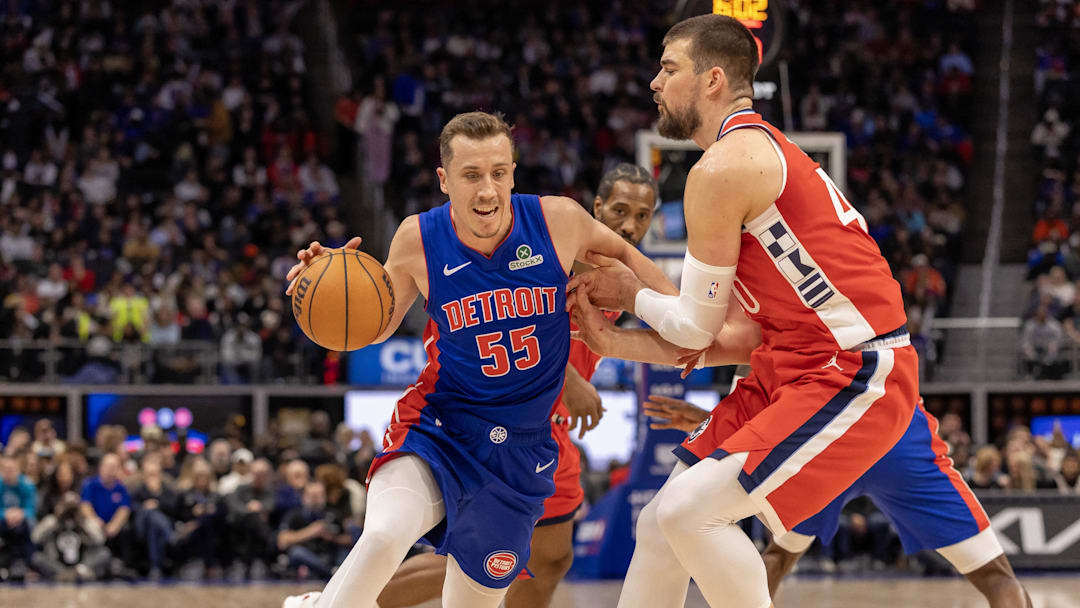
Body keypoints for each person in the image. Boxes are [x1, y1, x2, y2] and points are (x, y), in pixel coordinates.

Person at [567, 14, 1029, 608]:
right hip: (788, 367)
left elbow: (693, 327)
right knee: (659, 524)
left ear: (712, 80)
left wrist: (631, 293)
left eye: (668, 67)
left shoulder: (724, 167)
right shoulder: (750, 155)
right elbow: (733, 337)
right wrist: (611, 342)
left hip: (855, 369)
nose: (654, 82)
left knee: (688, 514)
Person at [281, 111, 673, 608]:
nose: (487, 190)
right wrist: (327, 293)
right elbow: (373, 327)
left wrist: (686, 317)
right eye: (471, 175)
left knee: (518, 574)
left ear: (513, 173)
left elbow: (637, 264)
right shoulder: (418, 238)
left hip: (522, 450)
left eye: (498, 173)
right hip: (440, 427)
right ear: (444, 180)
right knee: (384, 535)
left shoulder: (559, 221)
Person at [375, 162, 659, 608]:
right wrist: (570, 381)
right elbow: (510, 316)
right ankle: (338, 599)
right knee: (489, 556)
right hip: (497, 419)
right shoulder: (559, 250)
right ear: (597, 207)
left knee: (550, 556)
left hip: (549, 427)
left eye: (642, 215)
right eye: (620, 210)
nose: (629, 225)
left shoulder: (617, 273)